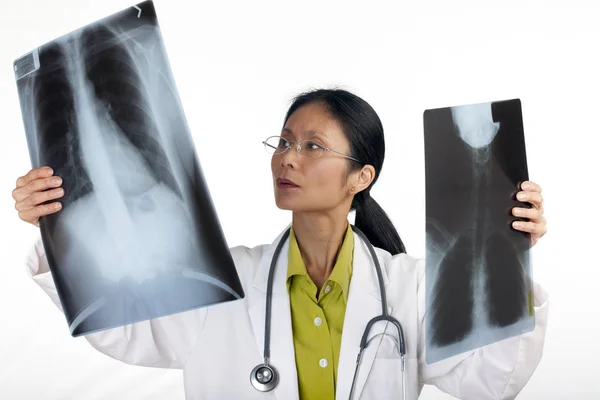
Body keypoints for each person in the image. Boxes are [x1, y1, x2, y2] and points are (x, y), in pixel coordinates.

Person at [12, 88, 549, 400]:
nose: (288, 158)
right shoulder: (221, 281)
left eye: (312, 146)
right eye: (285, 142)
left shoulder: (409, 288)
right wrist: (55, 225)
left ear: (362, 177)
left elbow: (493, 379)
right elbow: (122, 324)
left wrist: (511, 258)